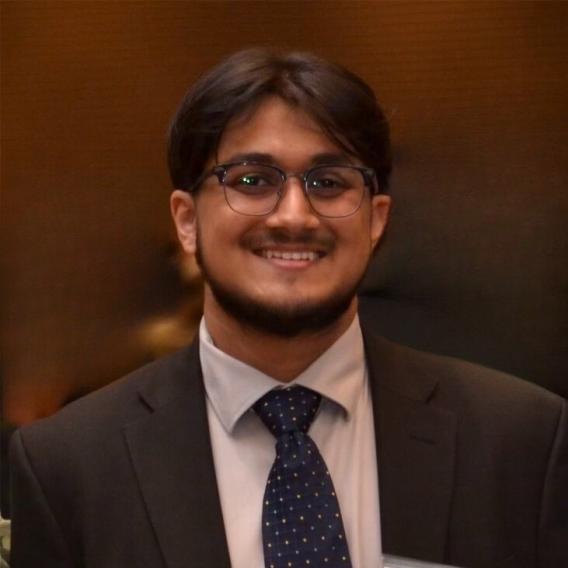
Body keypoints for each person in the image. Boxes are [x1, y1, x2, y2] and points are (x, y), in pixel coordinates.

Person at [9, 48, 567, 568]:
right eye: (252, 180)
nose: (295, 215)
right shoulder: (69, 467)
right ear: (187, 220)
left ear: (376, 220)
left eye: (329, 182)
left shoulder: (520, 442)